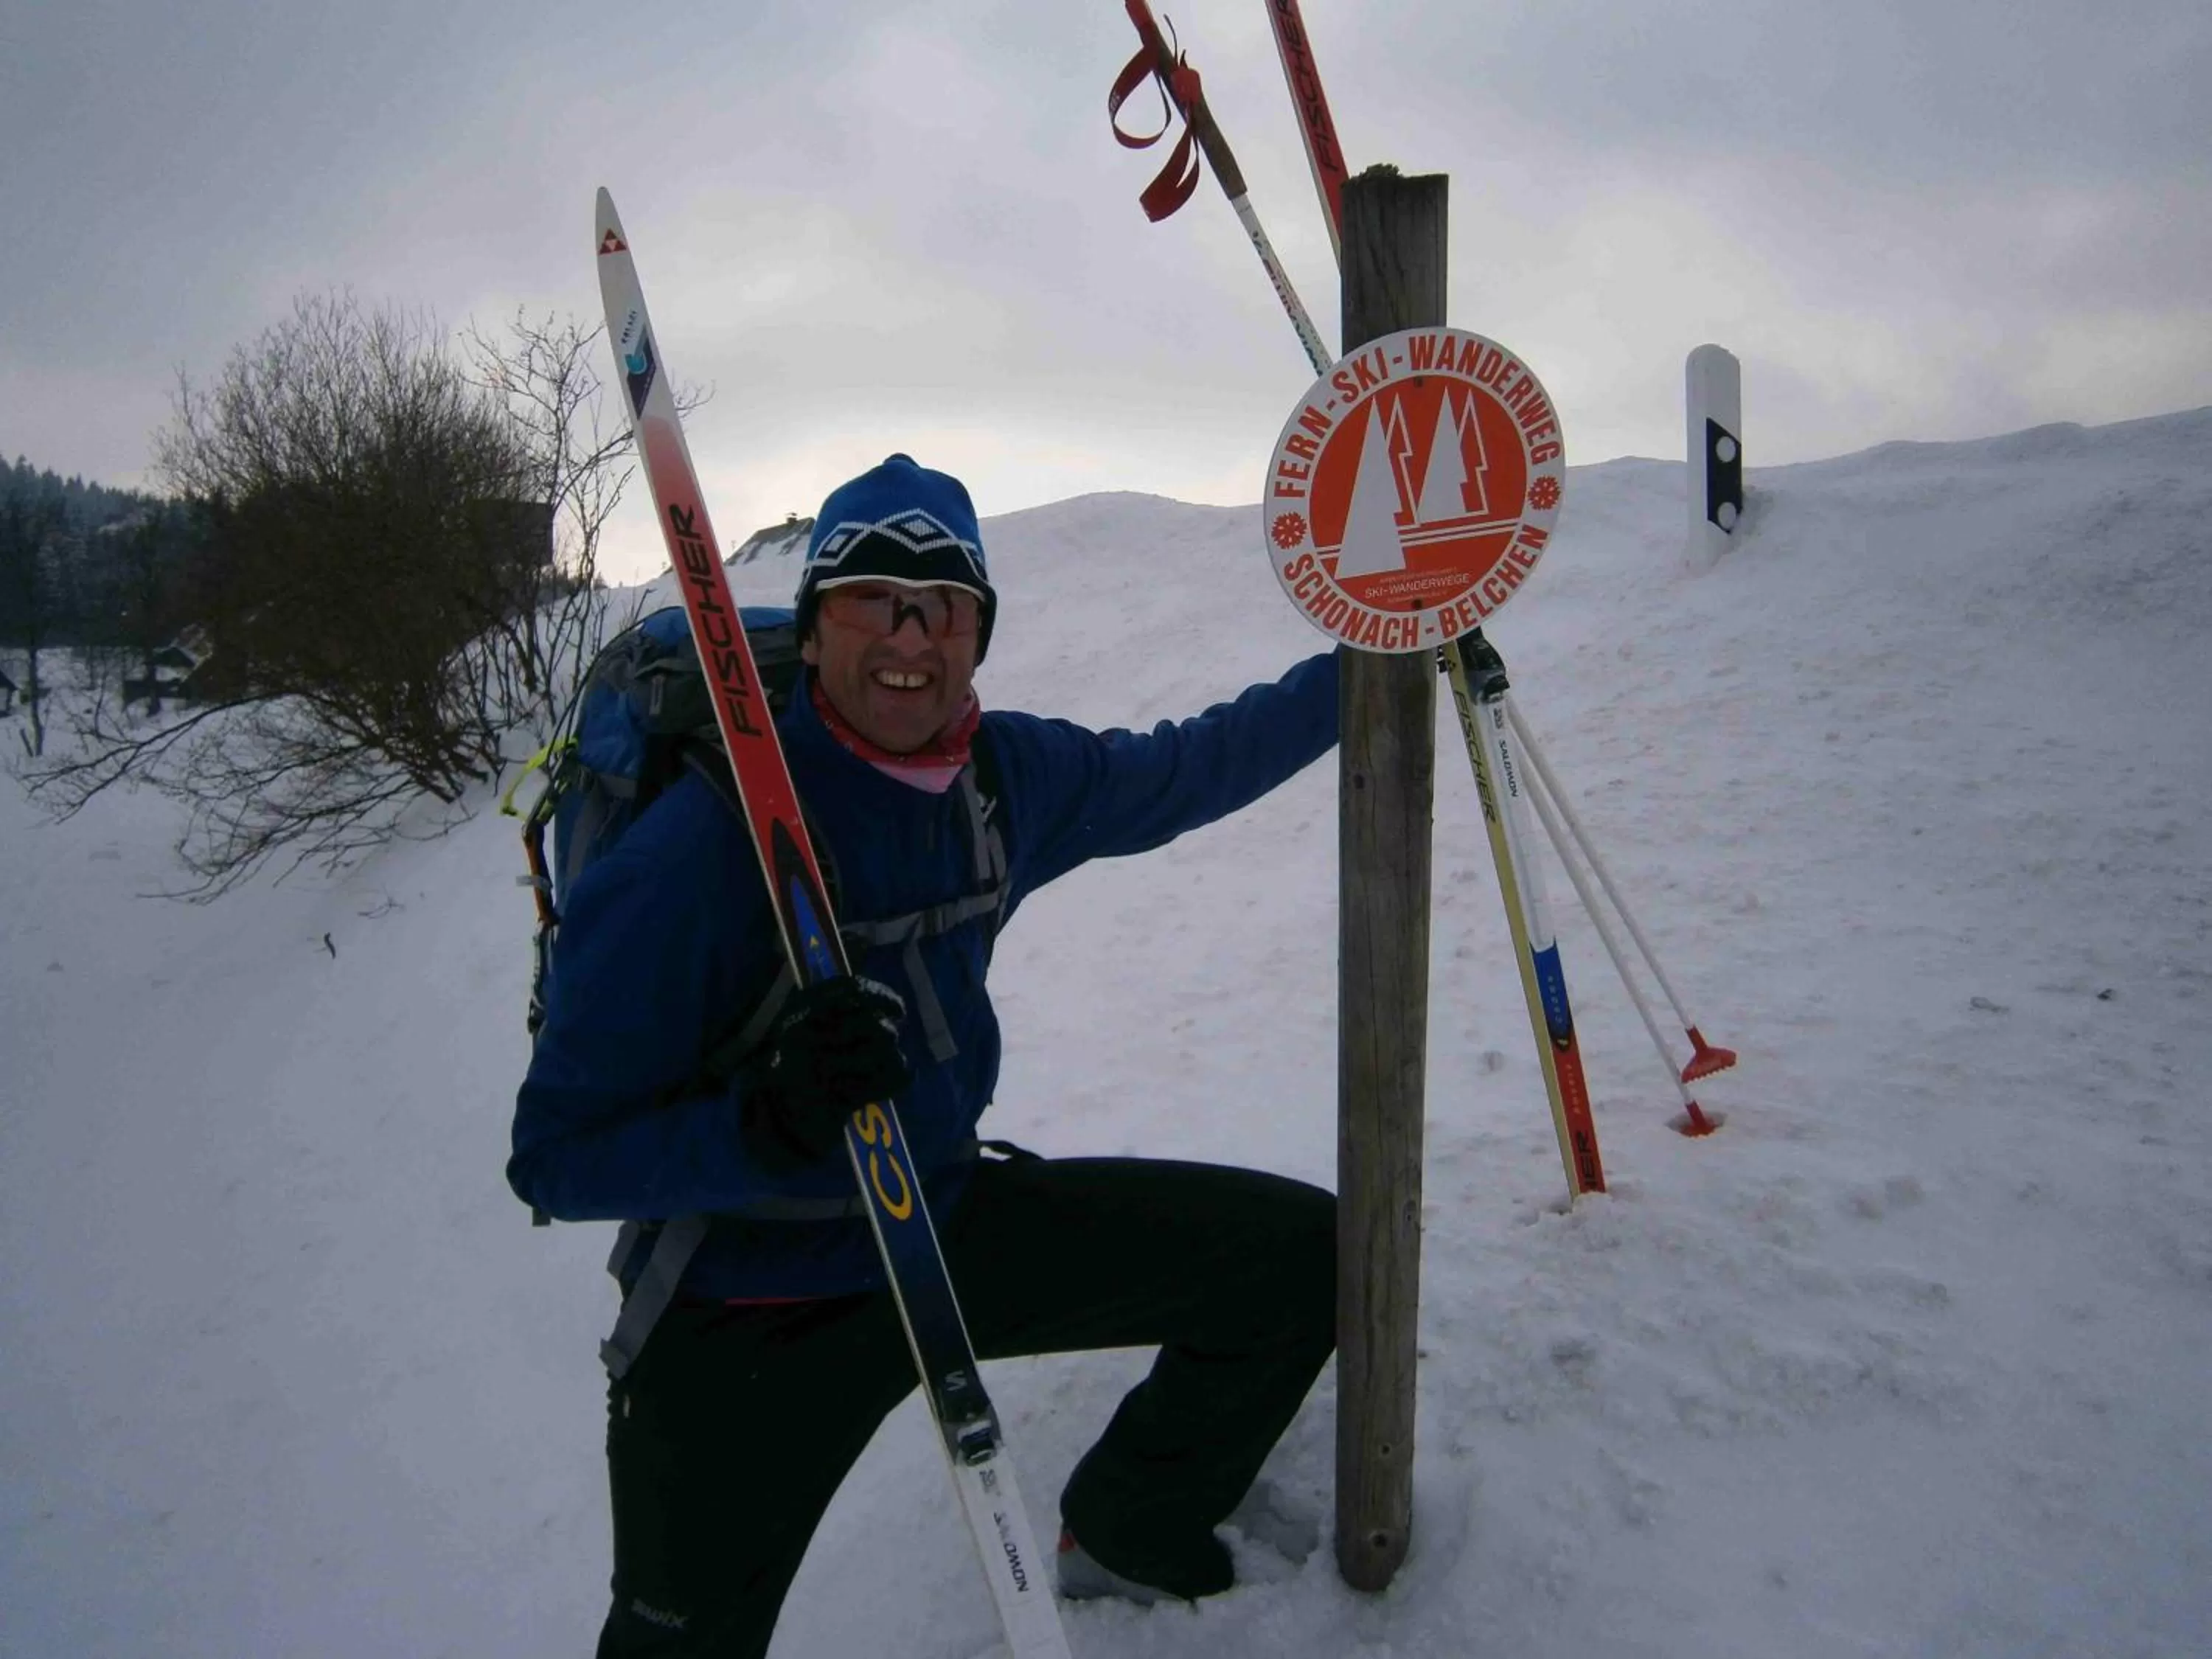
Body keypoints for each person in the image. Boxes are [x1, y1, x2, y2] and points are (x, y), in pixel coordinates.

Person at [510, 454, 1343, 1655]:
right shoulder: (698, 849)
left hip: (935, 1226)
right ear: (813, 623)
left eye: (946, 602)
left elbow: (1184, 765)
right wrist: (766, 1125)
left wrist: (1366, 674)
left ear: (980, 636)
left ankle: (1131, 1524)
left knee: (1298, 1262)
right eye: (874, 595)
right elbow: (555, 1156)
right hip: (747, 1308)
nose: (912, 631)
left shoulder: (999, 781)